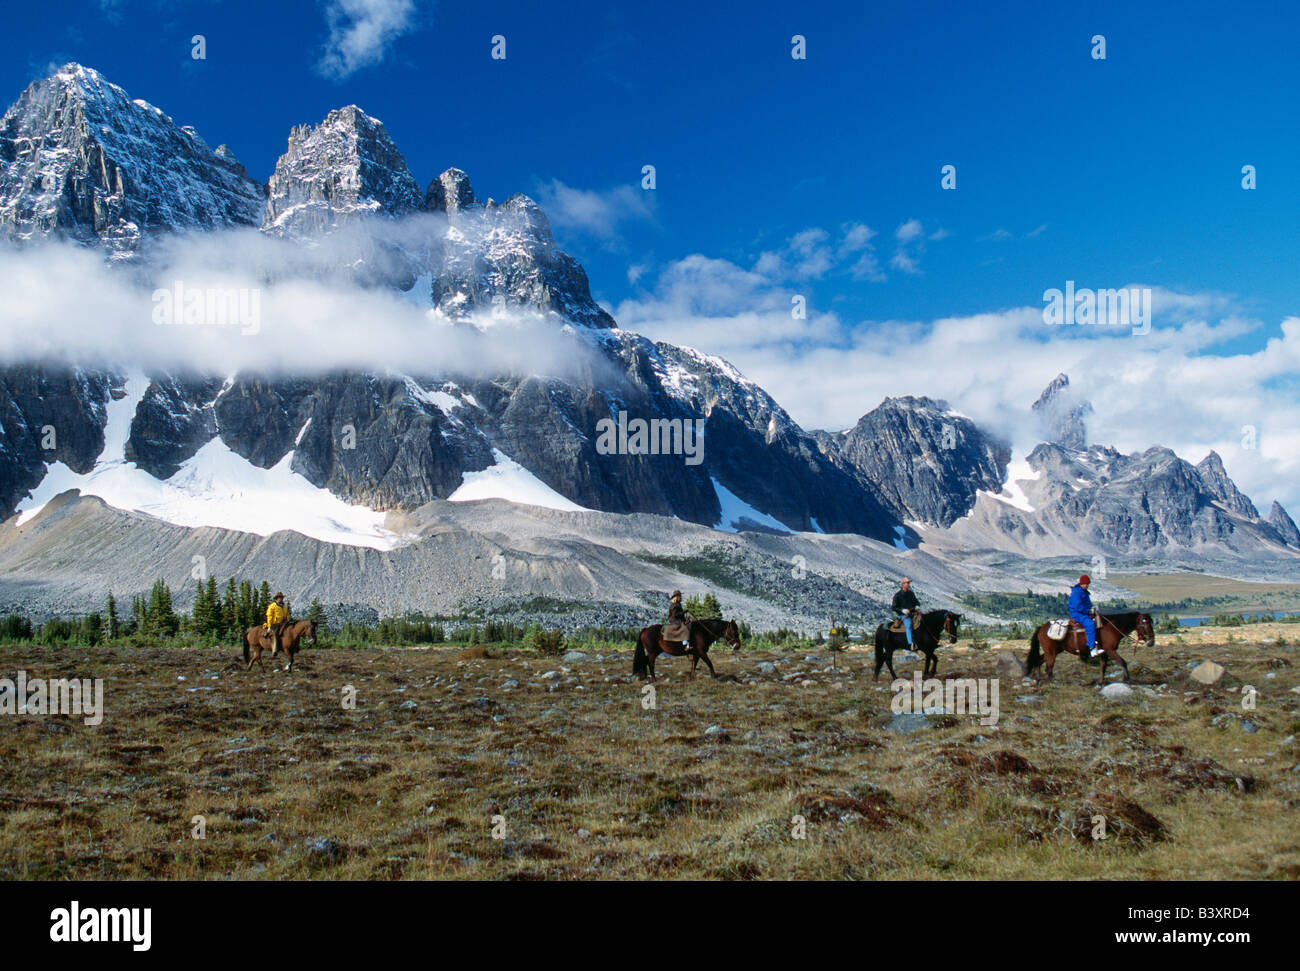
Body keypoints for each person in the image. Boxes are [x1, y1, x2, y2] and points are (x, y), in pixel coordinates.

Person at [1068, 574, 1102, 658]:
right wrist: (1088, 611)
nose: (1086, 586)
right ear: (1081, 583)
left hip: (1084, 612)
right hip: (1077, 613)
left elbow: (1087, 604)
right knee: (1090, 624)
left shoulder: (1084, 592)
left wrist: (1092, 608)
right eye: (1085, 584)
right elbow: (1077, 606)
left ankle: (1099, 643)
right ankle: (1092, 648)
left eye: (1087, 584)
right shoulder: (1076, 592)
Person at [891, 577, 920, 647]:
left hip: (913, 613)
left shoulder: (911, 594)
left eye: (909, 583)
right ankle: (910, 643)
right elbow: (893, 607)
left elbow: (917, 602)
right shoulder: (897, 595)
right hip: (903, 616)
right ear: (903, 584)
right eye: (907, 583)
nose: (909, 584)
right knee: (909, 624)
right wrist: (902, 610)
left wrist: (917, 606)